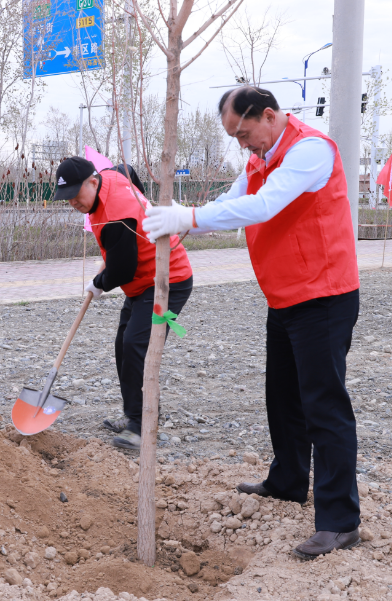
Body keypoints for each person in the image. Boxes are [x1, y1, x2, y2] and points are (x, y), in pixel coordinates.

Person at [143, 86, 361, 559]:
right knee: (282, 396)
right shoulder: (260, 159)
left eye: (244, 133)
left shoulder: (309, 151)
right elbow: (232, 201)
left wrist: (190, 214)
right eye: (235, 138)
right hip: (284, 296)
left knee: (324, 405)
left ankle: (341, 520)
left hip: (323, 296)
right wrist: (179, 222)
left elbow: (264, 207)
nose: (243, 145)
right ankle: (287, 481)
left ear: (267, 114)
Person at [53, 157, 193, 451]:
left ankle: (142, 426)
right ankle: (134, 415)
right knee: (123, 344)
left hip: (169, 283)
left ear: (93, 182)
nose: (73, 204)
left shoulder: (116, 216)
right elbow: (128, 172)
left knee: (135, 345)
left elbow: (122, 269)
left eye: (76, 196)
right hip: (143, 283)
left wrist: (100, 282)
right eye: (67, 199)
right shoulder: (110, 176)